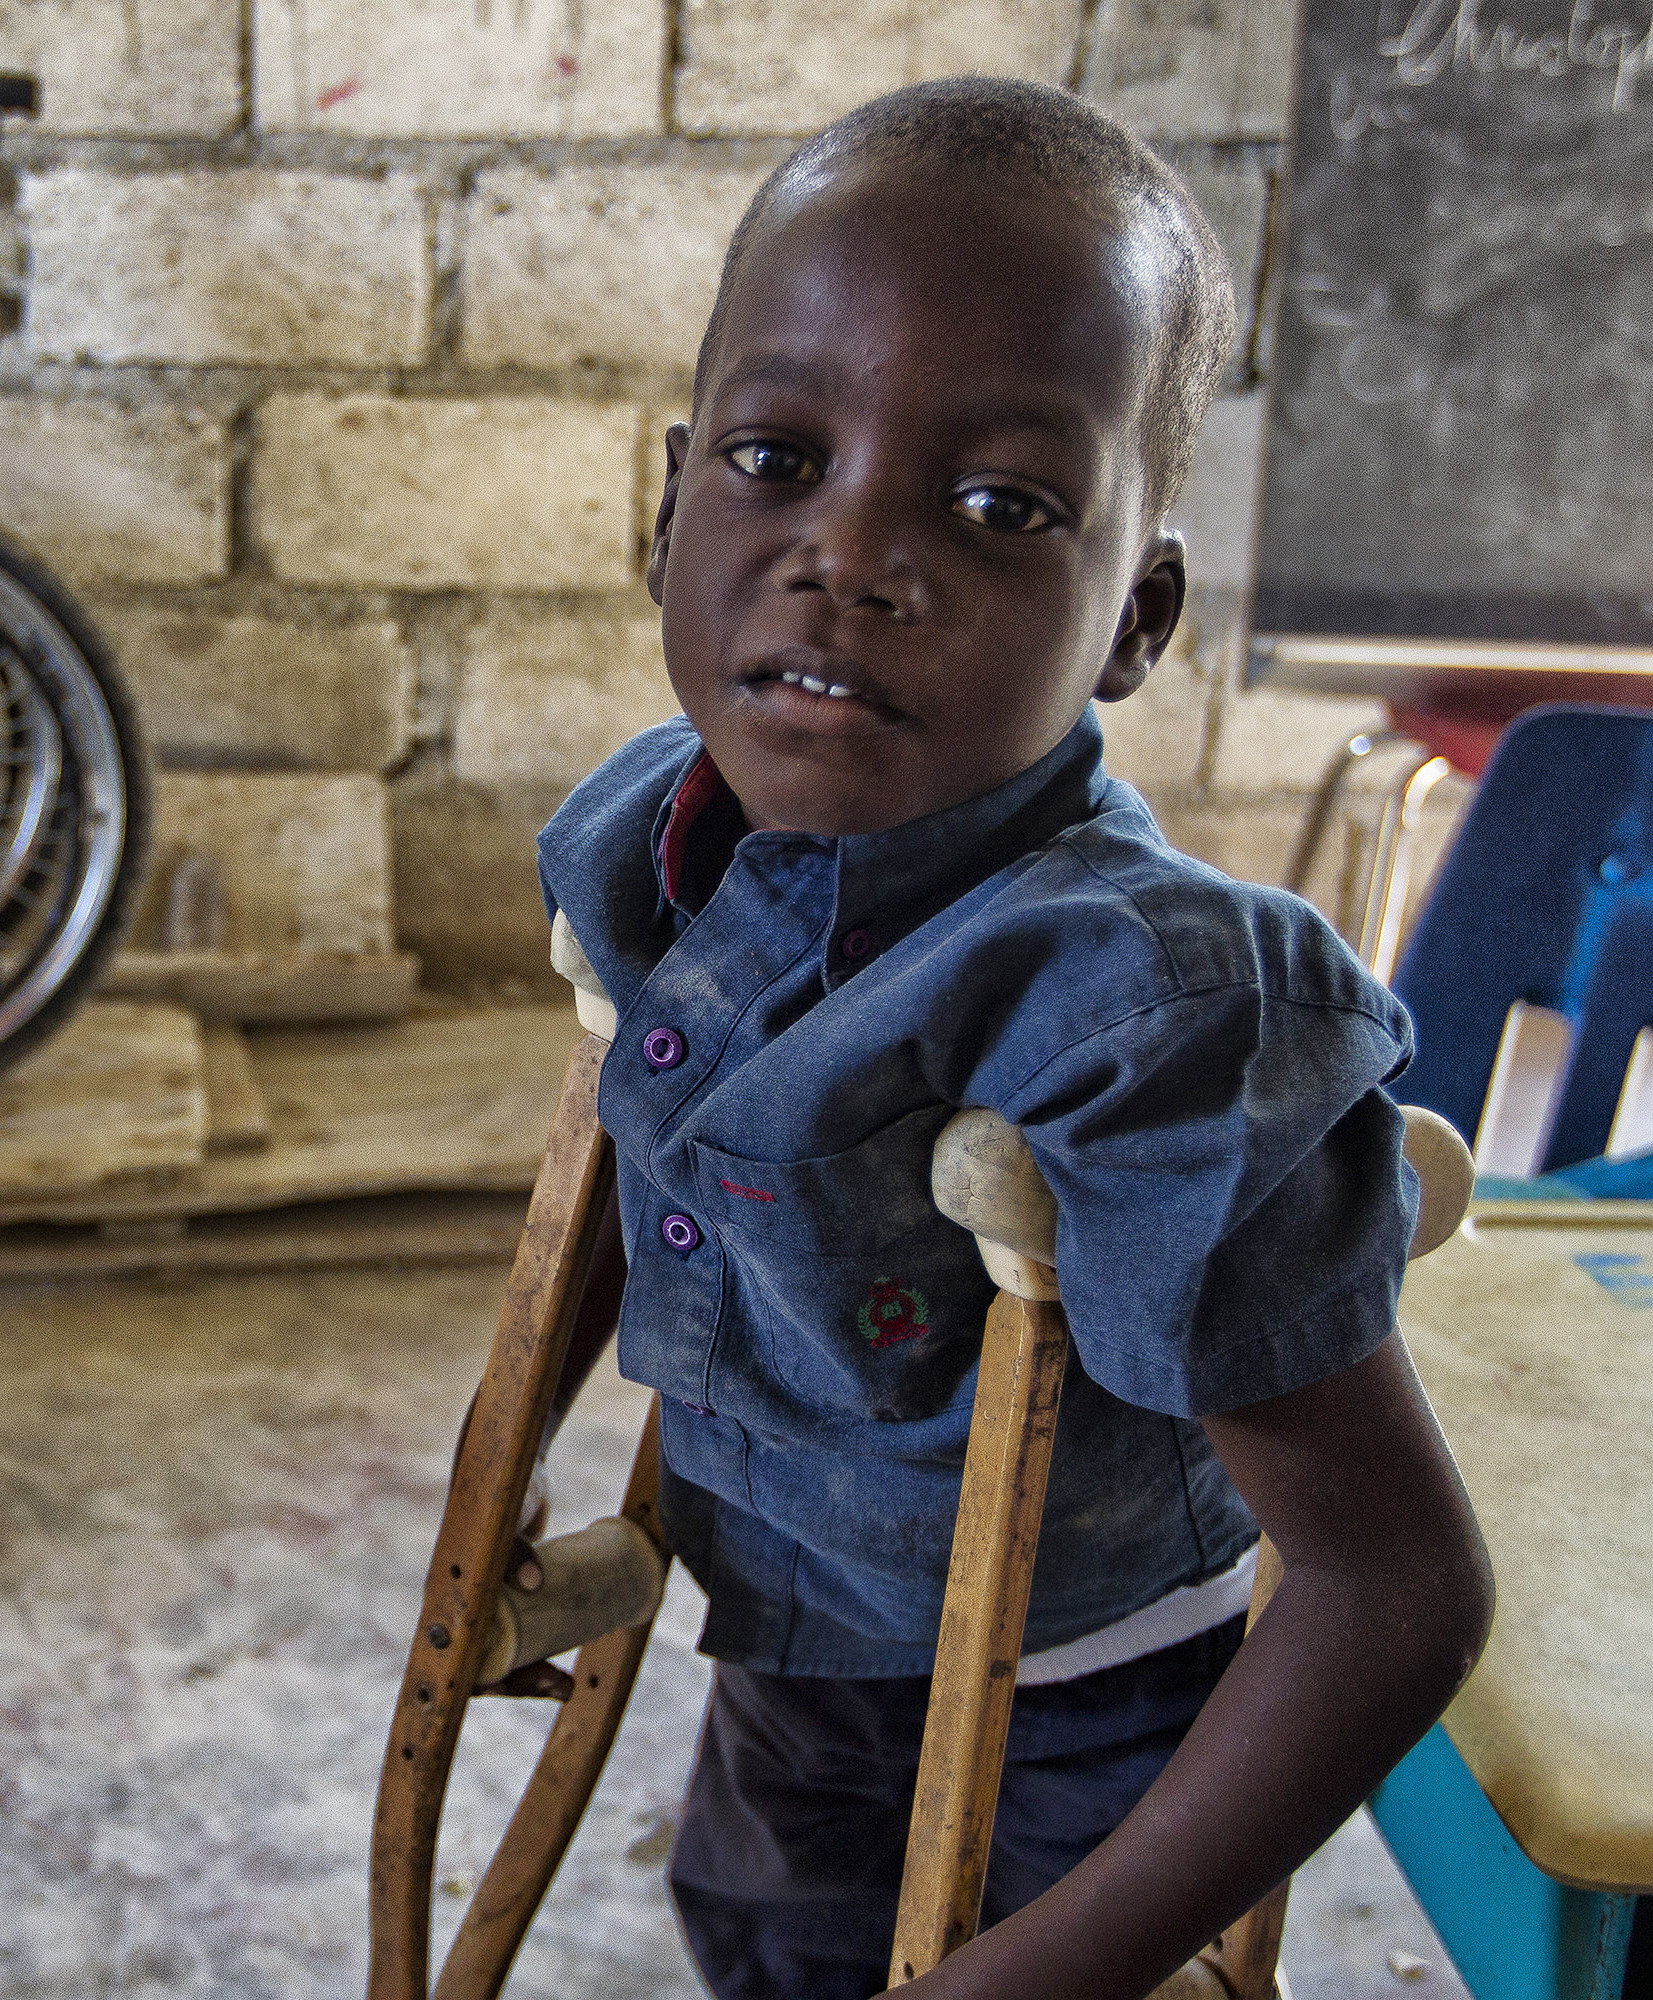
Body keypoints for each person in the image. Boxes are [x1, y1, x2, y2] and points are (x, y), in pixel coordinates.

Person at [531, 76, 1495, 2000]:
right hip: (792, 1629)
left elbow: (1398, 1591)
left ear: (1133, 621)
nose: (852, 553)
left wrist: (1043, 1975)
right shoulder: (654, 835)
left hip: (1079, 1712)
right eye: (774, 458)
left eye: (1000, 506)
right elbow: (638, 1191)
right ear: (665, 502)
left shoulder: (1154, 1017)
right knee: (760, 1943)